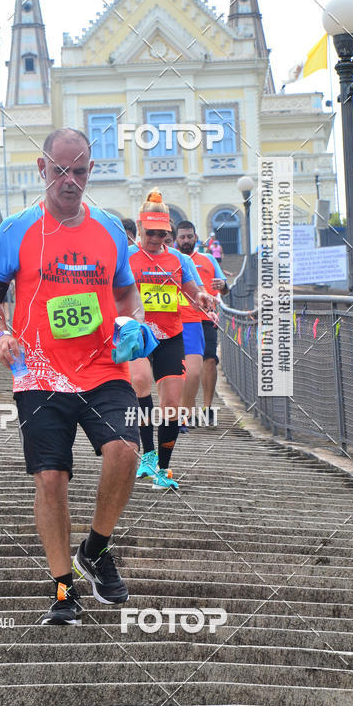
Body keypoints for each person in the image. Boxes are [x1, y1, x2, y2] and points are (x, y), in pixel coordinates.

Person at [0, 127, 149, 627]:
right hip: (39, 373)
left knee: (126, 449)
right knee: (51, 478)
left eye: (78, 170)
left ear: (91, 171)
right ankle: (62, 589)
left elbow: (124, 294)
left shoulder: (111, 231)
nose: (68, 180)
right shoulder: (17, 230)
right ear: (42, 169)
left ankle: (95, 549)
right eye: (59, 170)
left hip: (101, 368)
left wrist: (128, 329)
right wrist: (0, 335)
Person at [128, 191, 211, 487]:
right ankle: (147, 453)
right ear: (140, 228)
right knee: (139, 382)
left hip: (170, 335)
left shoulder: (177, 259)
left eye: (161, 233)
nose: (154, 238)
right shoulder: (126, 258)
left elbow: (193, 289)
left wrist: (201, 297)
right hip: (137, 334)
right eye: (150, 232)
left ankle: (162, 470)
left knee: (173, 404)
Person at [176, 221, 228, 425]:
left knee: (209, 361)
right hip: (180, 320)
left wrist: (223, 286)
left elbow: (225, 289)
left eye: (190, 236)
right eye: (182, 237)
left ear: (196, 237)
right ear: (176, 238)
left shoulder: (208, 259)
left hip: (205, 318)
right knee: (184, 368)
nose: (186, 240)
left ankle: (207, 408)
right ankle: (184, 411)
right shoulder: (172, 260)